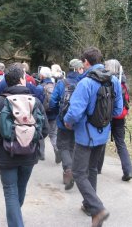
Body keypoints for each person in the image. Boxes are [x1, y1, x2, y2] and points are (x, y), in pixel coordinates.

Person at [63, 47, 123, 227]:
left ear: (86, 62)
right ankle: (89, 206)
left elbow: (74, 112)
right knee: (92, 170)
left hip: (84, 136)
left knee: (79, 173)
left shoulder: (86, 83)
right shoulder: (114, 81)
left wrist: (67, 122)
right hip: (102, 134)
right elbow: (118, 110)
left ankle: (97, 209)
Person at [0, 64, 49, 227]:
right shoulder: (35, 102)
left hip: (6, 155)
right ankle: (15, 216)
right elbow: (45, 130)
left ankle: (15, 219)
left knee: (10, 191)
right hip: (29, 155)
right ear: (22, 80)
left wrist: (4, 139)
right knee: (20, 188)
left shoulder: (0, 102)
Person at [49, 58, 84, 190]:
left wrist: (58, 111)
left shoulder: (62, 83)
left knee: (63, 145)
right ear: (79, 69)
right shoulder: (84, 82)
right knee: (74, 145)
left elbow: (53, 101)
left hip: (63, 120)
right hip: (79, 121)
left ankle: (68, 170)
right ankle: (74, 170)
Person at [97, 59, 132, 181]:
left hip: (108, 115)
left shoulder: (107, 81)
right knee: (121, 143)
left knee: (102, 141)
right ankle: (128, 171)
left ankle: (97, 168)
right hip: (121, 117)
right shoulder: (124, 83)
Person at [36, 66, 58, 162]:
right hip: (53, 114)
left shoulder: (40, 87)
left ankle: (41, 154)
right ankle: (57, 149)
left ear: (42, 76)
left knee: (40, 133)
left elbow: (37, 102)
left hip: (42, 115)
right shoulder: (56, 85)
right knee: (53, 134)